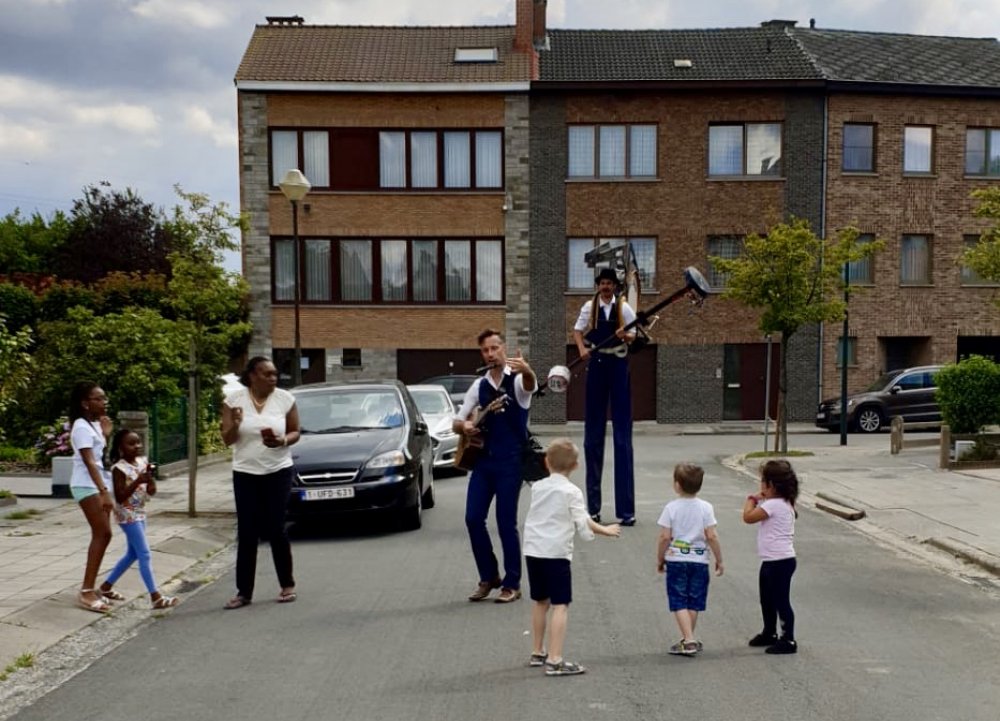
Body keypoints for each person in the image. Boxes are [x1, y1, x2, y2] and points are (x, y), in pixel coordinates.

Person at [524, 439, 620, 676]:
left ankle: (538, 651)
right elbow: (582, 520)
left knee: (540, 601)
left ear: (546, 462)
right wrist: (604, 530)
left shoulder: (538, 487)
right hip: (556, 552)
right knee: (560, 605)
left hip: (533, 549)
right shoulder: (572, 491)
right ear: (576, 465)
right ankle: (555, 659)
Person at [453, 328, 536, 603]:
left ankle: (512, 583)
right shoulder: (479, 386)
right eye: (486, 350)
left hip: (511, 462)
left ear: (504, 348)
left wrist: (527, 370)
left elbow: (530, 384)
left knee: (505, 522)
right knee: (473, 519)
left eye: (494, 348)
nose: (490, 354)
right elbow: (457, 420)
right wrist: (465, 426)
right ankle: (489, 577)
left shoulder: (517, 382)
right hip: (483, 462)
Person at [220, 356, 300, 609]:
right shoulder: (234, 401)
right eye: (267, 374)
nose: (273, 378)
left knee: (276, 527)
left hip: (278, 470)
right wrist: (235, 423)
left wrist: (282, 441)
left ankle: (287, 585)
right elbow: (228, 440)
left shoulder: (285, 399)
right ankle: (244, 592)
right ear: (252, 375)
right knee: (247, 531)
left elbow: (296, 431)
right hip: (245, 472)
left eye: (275, 374)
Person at [573, 267, 637, 526]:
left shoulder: (624, 308)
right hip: (597, 364)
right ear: (598, 285)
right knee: (592, 439)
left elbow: (636, 336)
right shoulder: (589, 307)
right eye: (602, 283)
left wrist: (627, 335)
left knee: (623, 440)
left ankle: (626, 512)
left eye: (610, 283)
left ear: (615, 286)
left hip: (619, 365)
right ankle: (594, 509)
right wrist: (581, 350)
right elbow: (577, 331)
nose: (606, 287)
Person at [99, 429, 178, 610]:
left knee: (132, 554)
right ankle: (155, 596)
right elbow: (119, 496)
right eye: (131, 443)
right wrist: (137, 481)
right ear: (120, 447)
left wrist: (149, 481)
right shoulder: (119, 469)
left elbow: (151, 491)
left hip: (140, 511)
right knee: (144, 553)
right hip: (127, 514)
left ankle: (105, 587)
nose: (136, 446)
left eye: (138, 442)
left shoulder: (142, 462)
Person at [655, 463, 724, 656]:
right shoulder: (706, 508)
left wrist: (660, 558)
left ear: (677, 485)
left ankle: (689, 639)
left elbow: (664, 537)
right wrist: (719, 559)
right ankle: (688, 638)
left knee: (678, 600)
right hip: (700, 560)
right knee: (694, 600)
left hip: (676, 559)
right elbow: (711, 535)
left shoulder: (671, 508)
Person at [742, 459, 800, 655]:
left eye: (762, 482)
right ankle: (769, 632)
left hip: (779, 561)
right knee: (766, 598)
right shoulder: (784, 502)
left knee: (780, 600)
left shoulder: (774, 504)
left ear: (771, 485)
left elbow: (748, 518)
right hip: (772, 560)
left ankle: (788, 639)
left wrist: (752, 499)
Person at [68, 381, 115, 614]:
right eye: (98, 398)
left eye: (104, 397)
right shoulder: (80, 427)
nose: (103, 402)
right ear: (85, 403)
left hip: (97, 485)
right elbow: (88, 461)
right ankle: (86, 590)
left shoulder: (94, 425)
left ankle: (91, 586)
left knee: (104, 534)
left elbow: (100, 457)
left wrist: (105, 435)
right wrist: (104, 492)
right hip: (86, 485)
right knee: (103, 533)